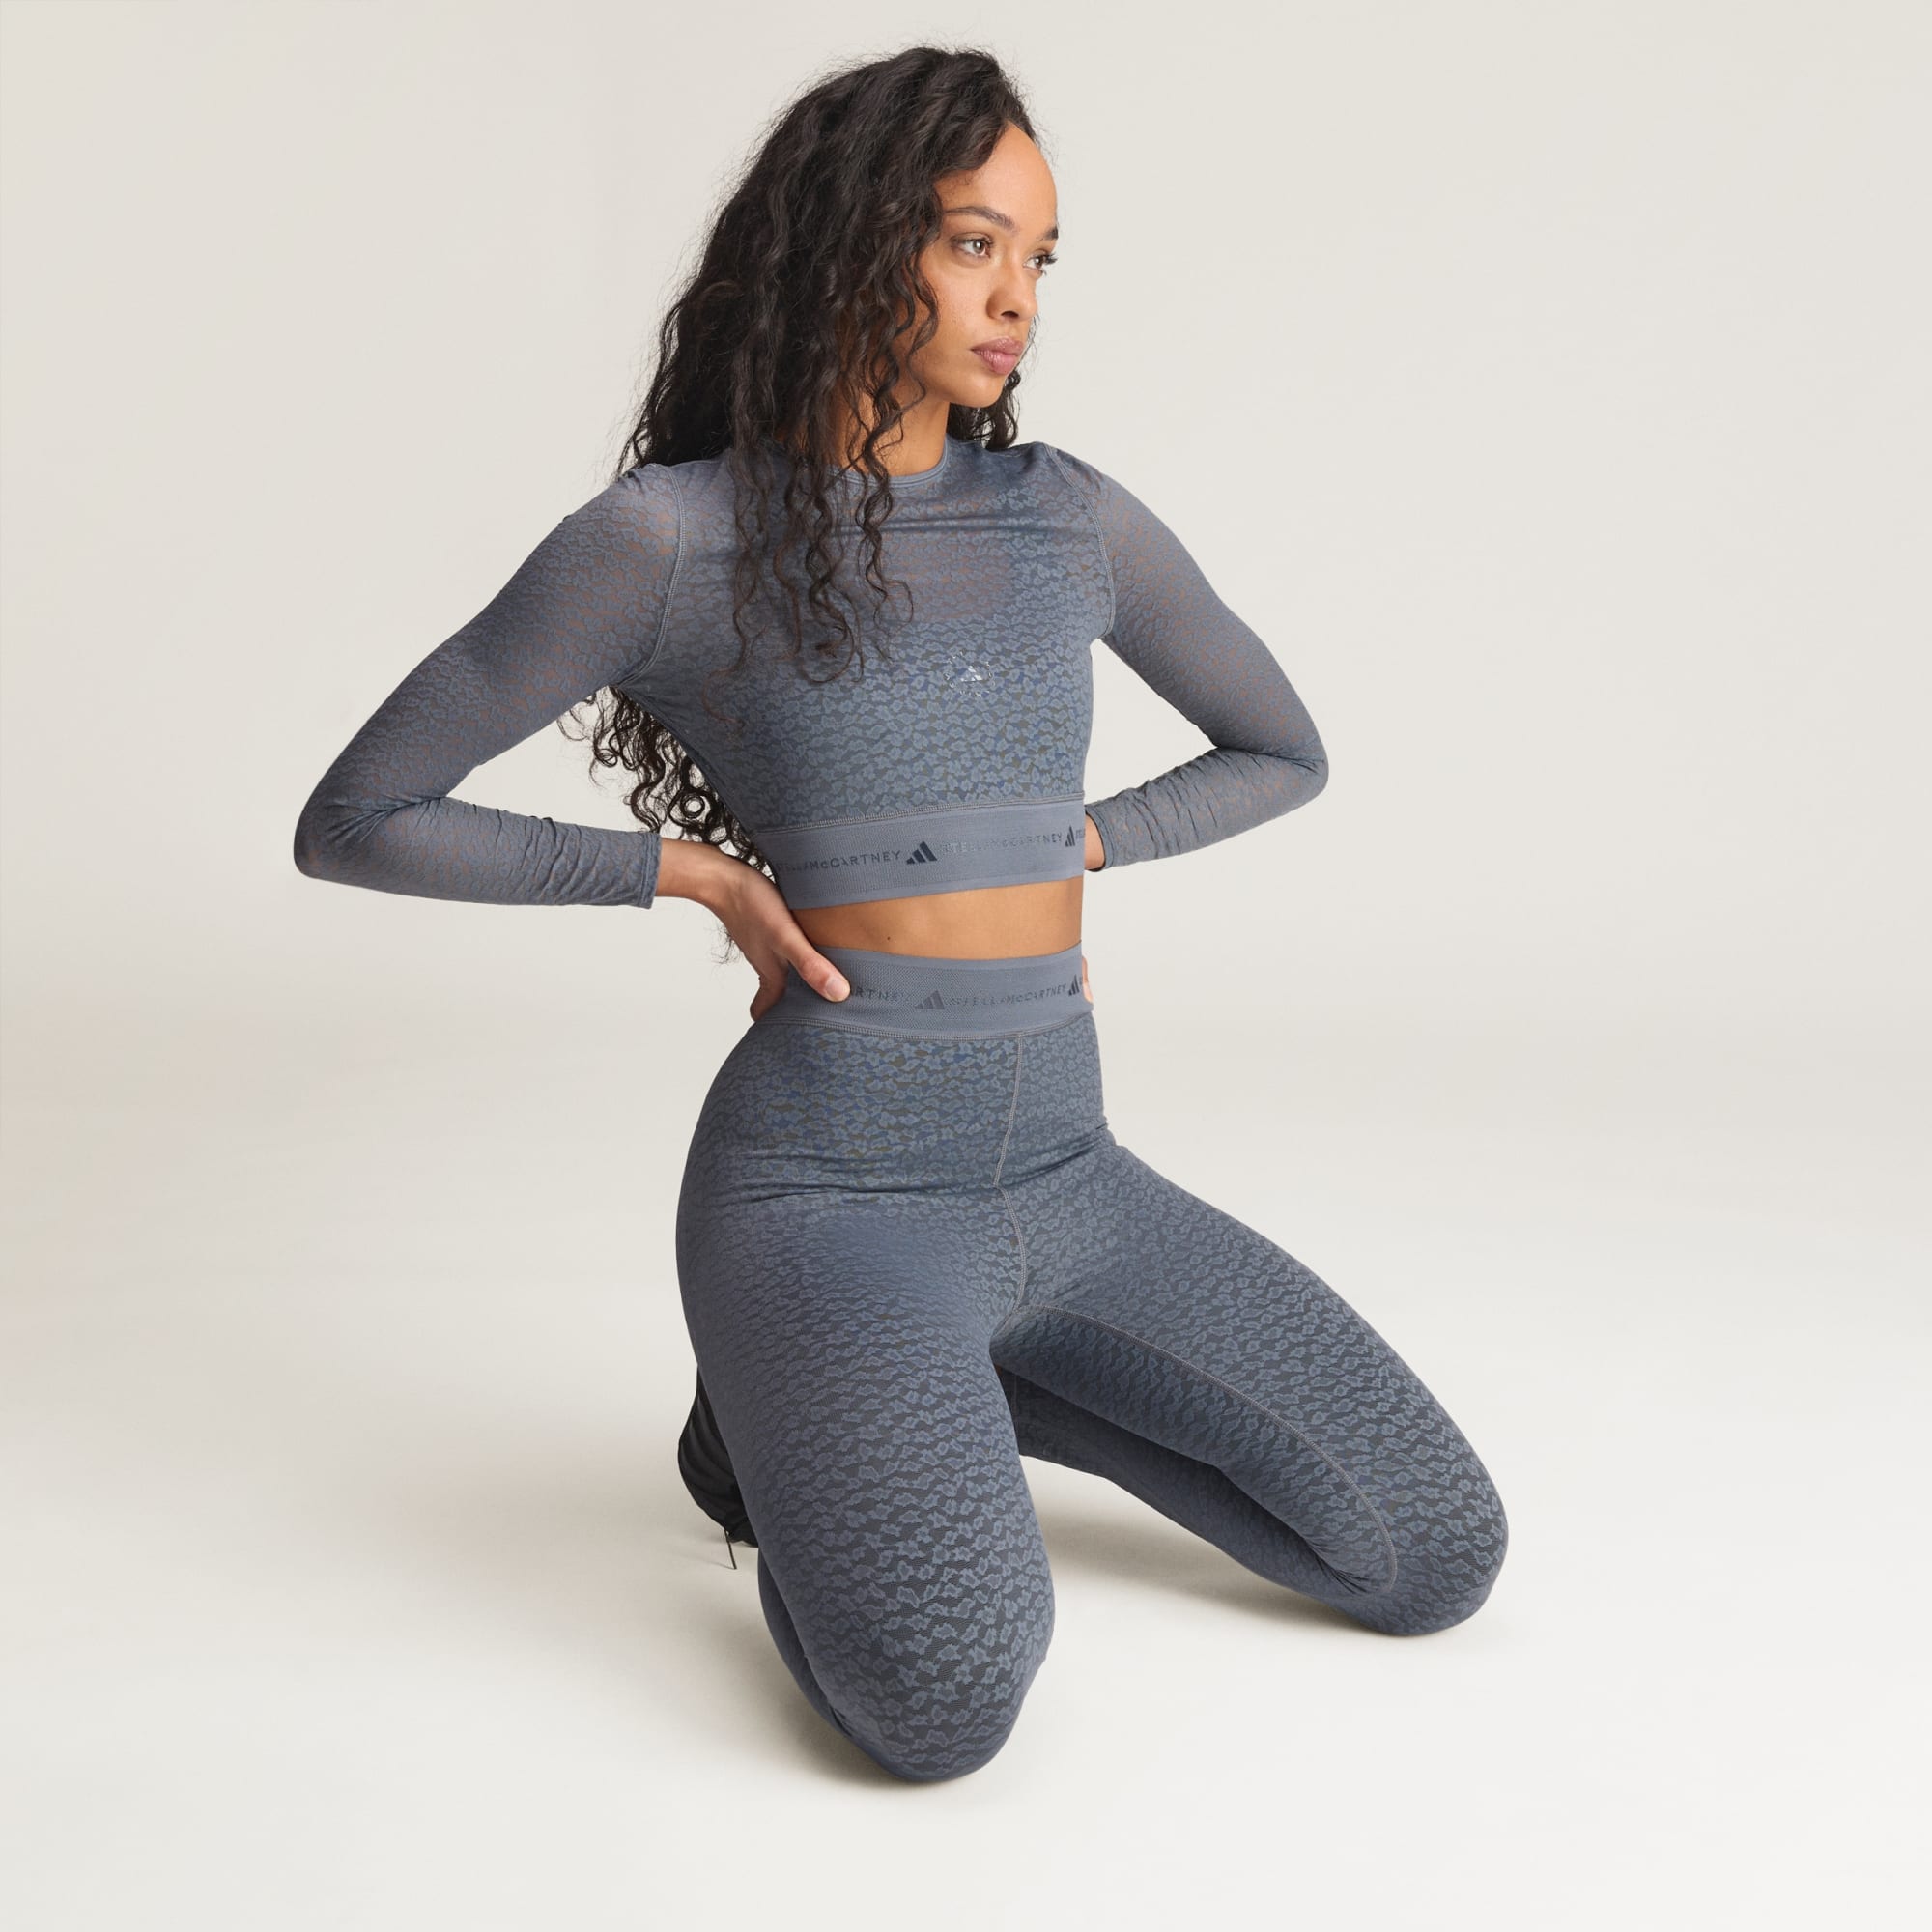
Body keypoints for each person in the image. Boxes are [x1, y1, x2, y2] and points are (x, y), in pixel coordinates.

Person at [293, 45, 1508, 1783]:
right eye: (970, 244)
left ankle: (812, 1413)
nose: (1017, 301)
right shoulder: (667, 539)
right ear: (854, 242)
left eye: (1040, 257)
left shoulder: (1068, 518)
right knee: (942, 1704)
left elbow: (1282, 751)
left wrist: (1091, 840)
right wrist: (692, 872)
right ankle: (793, 1405)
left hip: (1071, 1173)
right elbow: (357, 819)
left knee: (1433, 1553)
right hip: (829, 1196)